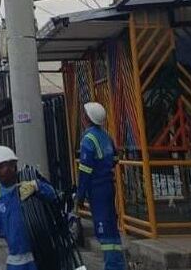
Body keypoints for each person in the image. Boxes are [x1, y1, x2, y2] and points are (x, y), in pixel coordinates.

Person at [77, 102, 124, 270]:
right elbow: (115, 159)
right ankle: (118, 264)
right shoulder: (106, 136)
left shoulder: (88, 139)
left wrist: (80, 195)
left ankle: (112, 266)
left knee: (103, 229)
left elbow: (85, 171)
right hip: (108, 186)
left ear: (87, 118)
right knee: (111, 227)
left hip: (96, 189)